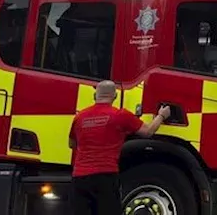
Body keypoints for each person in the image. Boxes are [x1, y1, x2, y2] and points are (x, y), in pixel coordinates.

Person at [68, 81, 171, 215]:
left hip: (79, 178)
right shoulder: (120, 115)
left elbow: (72, 144)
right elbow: (148, 132)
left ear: (95, 96)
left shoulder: (80, 117)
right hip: (105, 176)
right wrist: (162, 115)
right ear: (115, 96)